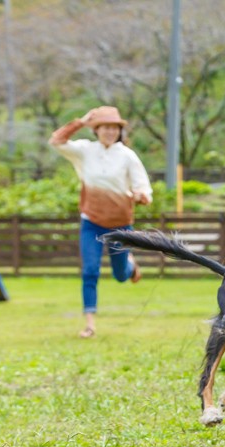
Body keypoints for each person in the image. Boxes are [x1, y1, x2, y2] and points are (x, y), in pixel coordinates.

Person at [48, 106, 153, 338]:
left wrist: (141, 195)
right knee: (90, 270)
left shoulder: (127, 155)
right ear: (96, 129)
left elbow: (143, 187)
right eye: (105, 127)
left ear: (119, 130)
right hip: (92, 222)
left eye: (114, 127)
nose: (110, 131)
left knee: (119, 275)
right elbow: (56, 141)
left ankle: (130, 266)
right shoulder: (85, 150)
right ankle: (90, 324)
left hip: (120, 225)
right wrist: (80, 122)